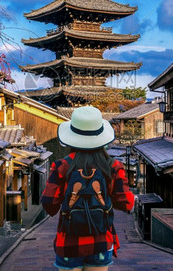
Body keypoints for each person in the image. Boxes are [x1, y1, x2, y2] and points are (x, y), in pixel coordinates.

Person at [41, 106, 135, 271]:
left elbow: (49, 204)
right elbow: (127, 203)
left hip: (68, 242)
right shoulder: (113, 166)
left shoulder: (62, 166)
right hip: (101, 241)